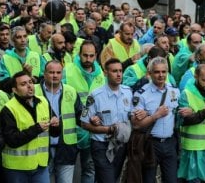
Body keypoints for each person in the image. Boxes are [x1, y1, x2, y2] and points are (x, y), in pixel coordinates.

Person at [81, 58, 134, 183]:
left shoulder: (128, 93)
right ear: (106, 73)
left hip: (120, 145)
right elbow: (84, 123)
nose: (119, 74)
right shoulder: (95, 95)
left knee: (111, 178)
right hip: (101, 145)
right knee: (108, 179)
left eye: (120, 71)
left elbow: (132, 116)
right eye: (114, 71)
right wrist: (109, 129)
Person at [0, 71, 58, 183]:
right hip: (17, 168)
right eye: (23, 84)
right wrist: (36, 129)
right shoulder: (8, 109)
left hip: (41, 165)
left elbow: (55, 133)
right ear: (14, 90)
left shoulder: (43, 102)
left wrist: (56, 125)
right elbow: (12, 140)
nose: (29, 86)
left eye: (30, 82)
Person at [62, 40, 106, 183]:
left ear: (96, 56)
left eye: (91, 56)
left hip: (91, 132)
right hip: (70, 131)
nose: (88, 59)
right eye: (85, 55)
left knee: (89, 170)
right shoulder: (68, 71)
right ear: (79, 54)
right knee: (66, 172)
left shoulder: (101, 75)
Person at [131, 57, 180, 183]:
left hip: (170, 143)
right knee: (149, 179)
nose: (161, 75)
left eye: (164, 72)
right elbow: (136, 125)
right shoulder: (141, 94)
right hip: (151, 144)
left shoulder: (174, 90)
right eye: (157, 72)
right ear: (150, 73)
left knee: (172, 180)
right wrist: (155, 116)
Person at [35, 60, 82, 183]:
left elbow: (81, 116)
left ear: (62, 74)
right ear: (44, 74)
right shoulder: (34, 91)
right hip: (41, 148)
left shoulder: (71, 91)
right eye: (51, 72)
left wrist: (93, 119)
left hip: (66, 148)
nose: (55, 75)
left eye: (58, 72)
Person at [0, 26, 45, 92]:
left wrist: (32, 78)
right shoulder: (5, 59)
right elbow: (2, 85)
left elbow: (45, 80)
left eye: (25, 36)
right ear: (13, 40)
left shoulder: (36, 56)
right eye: (19, 37)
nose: (23, 40)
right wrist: (22, 75)